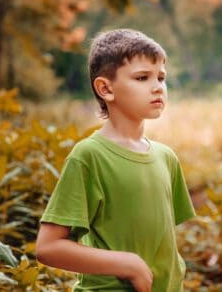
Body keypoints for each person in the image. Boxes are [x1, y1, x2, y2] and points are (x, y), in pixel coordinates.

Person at [36, 29, 196, 292]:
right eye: (142, 77)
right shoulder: (89, 156)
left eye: (161, 77)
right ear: (106, 88)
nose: (157, 86)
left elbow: (160, 243)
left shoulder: (166, 158)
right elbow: (48, 247)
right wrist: (127, 264)